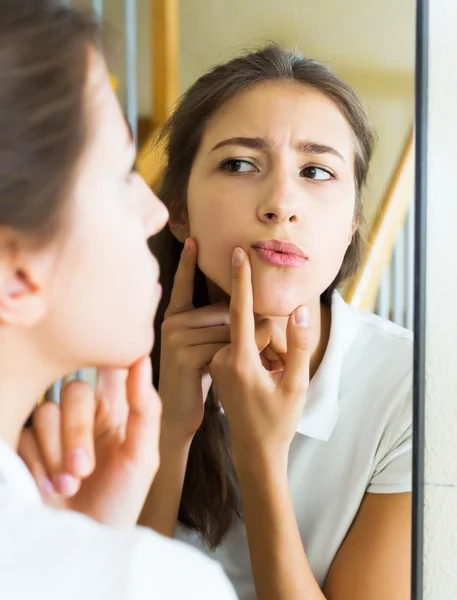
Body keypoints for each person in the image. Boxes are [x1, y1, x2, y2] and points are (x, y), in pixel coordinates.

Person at [25, 44, 412, 600]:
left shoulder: (415, 388)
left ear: (352, 224)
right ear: (177, 211)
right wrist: (170, 432)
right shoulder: (105, 367)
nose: (281, 202)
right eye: (239, 163)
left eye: (317, 171)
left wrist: (261, 460)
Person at [0, 2, 237, 599]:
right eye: (120, 173)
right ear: (16, 272)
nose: (155, 212)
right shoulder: (157, 585)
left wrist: (82, 538)